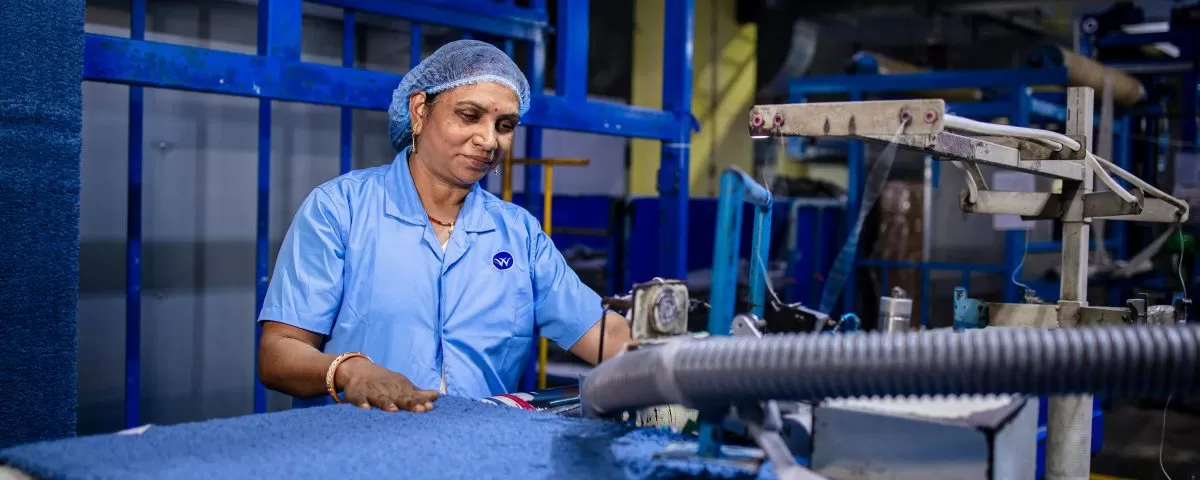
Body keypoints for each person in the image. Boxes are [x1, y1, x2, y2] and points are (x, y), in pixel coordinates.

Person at [256, 40, 633, 413]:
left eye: (504, 125)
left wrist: (681, 357)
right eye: (470, 116)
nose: (488, 140)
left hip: (476, 456)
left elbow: (604, 335)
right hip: (354, 453)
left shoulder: (518, 234)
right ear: (419, 111)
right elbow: (278, 353)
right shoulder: (341, 210)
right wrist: (348, 371)